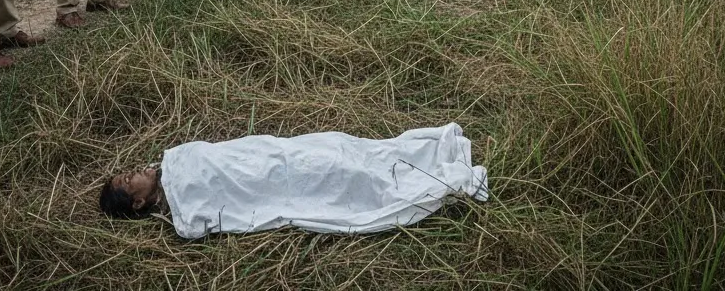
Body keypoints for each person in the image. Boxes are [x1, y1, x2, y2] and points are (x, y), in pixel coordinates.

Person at [99, 122, 488, 236]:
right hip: (269, 181)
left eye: (127, 170)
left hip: (273, 152)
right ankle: (426, 180)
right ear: (137, 203)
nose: (135, 171)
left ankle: (421, 160)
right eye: (127, 181)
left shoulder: (173, 162)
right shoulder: (183, 210)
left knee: (341, 150)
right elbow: (230, 206)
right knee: (340, 175)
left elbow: (229, 152)